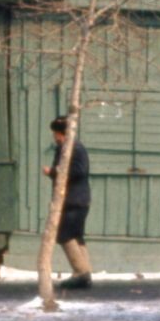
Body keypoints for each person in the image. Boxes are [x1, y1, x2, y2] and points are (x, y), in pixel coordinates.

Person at [43, 117, 93, 290]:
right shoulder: (63, 148)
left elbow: (79, 171)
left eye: (56, 134)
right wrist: (53, 173)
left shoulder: (76, 148)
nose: (54, 137)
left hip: (75, 199)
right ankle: (85, 271)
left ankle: (80, 272)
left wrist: (55, 171)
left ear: (61, 133)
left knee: (65, 234)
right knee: (76, 235)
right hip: (72, 199)